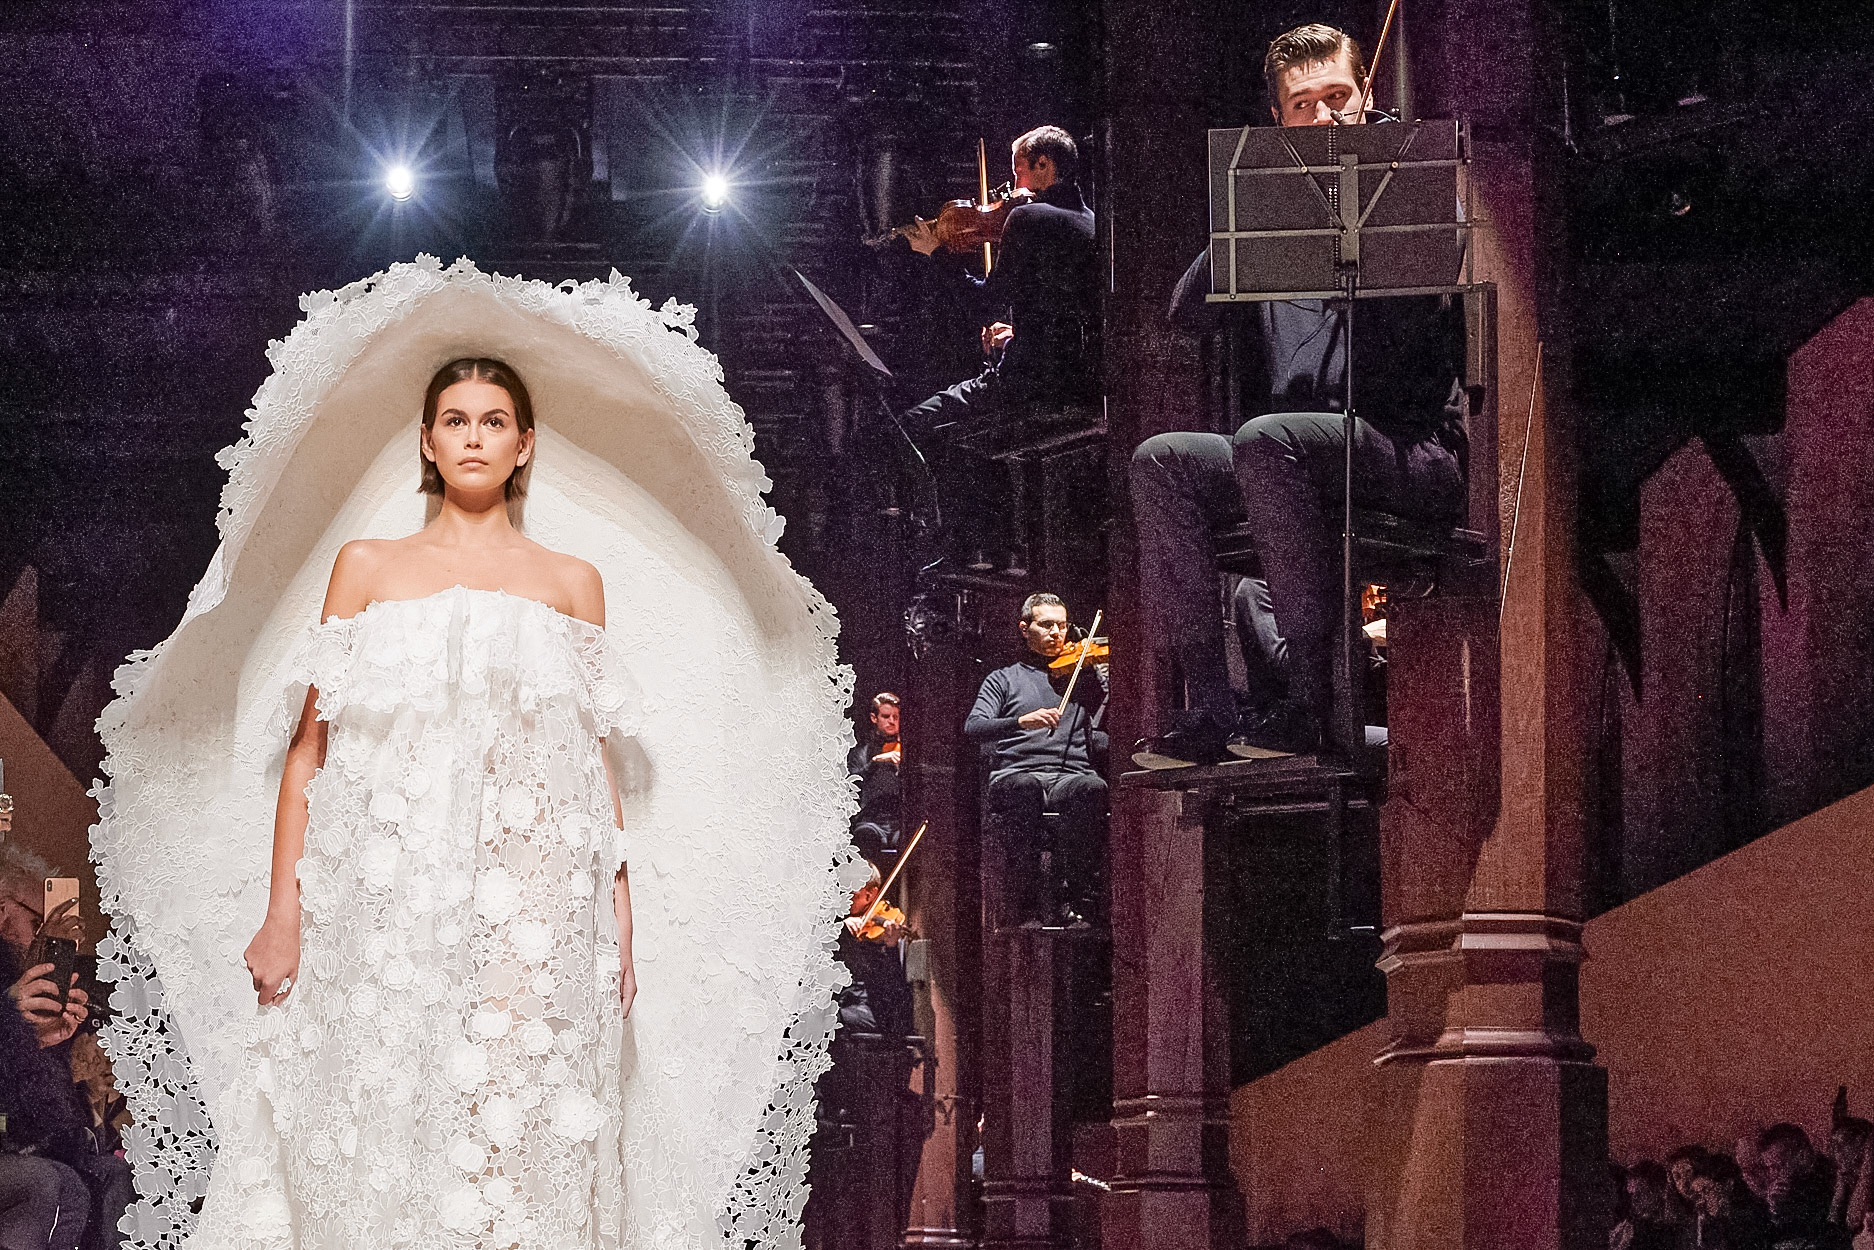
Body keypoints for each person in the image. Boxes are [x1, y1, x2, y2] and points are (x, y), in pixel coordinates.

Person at [93, 261, 855, 1248]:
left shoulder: (570, 582)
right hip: (379, 893)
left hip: (535, 901)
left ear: (524, 442)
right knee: (379, 1105)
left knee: (522, 1119)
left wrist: (614, 925)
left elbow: (593, 775)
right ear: (425, 438)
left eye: (493, 419)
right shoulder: (365, 568)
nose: (473, 436)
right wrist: (282, 908)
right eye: (455, 418)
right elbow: (307, 748)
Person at [1128, 22, 1468, 767]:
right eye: (1303, 106)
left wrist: (1363, 183)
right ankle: (1211, 706)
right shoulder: (1273, 205)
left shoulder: (1403, 181)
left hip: (1408, 448)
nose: (1323, 117)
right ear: (1279, 120)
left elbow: (1416, 337)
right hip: (1295, 454)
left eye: (1338, 98)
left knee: (1266, 436)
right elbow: (1185, 311)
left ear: (1366, 95)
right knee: (1162, 459)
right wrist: (1260, 205)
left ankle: (1312, 700)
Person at [899, 126, 1099, 567]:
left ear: (1044, 166)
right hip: (1073, 376)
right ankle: (988, 540)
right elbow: (1056, 305)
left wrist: (936, 254)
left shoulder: (1029, 219)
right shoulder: (1090, 222)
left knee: (914, 423)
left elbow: (984, 301)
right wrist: (1017, 330)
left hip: (1027, 381)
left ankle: (957, 544)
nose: (1010, 189)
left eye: (1019, 171)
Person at [964, 592, 1107, 926]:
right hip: (1017, 772)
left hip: (1068, 775)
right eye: (1046, 625)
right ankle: (1025, 903)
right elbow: (974, 727)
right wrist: (1020, 721)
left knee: (1091, 788)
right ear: (1025, 629)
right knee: (1024, 789)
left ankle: (1072, 897)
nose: (1056, 633)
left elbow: (1099, 735)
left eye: (1062, 625)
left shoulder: (1082, 677)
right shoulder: (1003, 679)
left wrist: (1106, 685)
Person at [848, 693, 903, 860]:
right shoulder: (862, 752)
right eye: (886, 717)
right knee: (864, 835)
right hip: (872, 820)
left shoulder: (907, 751)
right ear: (874, 718)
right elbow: (852, 784)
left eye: (896, 717)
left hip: (899, 821)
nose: (892, 722)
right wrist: (874, 762)